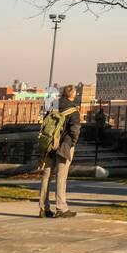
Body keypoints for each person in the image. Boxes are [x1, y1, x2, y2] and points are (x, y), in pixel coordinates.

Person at [39, 84, 81, 219]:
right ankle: (61, 208)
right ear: (72, 95)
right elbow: (75, 130)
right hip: (64, 146)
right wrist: (72, 144)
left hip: (50, 145)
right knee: (61, 177)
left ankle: (43, 208)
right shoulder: (73, 110)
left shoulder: (53, 105)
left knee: (46, 176)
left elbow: (44, 124)